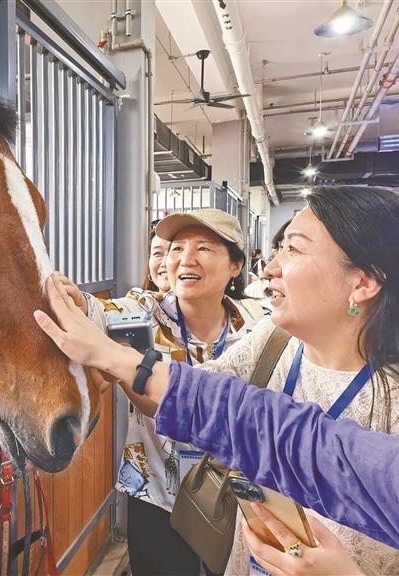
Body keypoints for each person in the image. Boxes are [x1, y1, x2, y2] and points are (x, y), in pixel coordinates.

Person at [36, 186, 399, 575]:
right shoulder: (273, 338)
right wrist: (84, 312)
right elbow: (202, 398)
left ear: (362, 285)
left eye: (294, 249)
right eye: (175, 248)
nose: (270, 268)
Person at [65, 209, 263, 575]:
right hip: (158, 496)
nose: (185, 259)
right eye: (176, 248)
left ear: (236, 266)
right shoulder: (141, 312)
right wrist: (70, 297)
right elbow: (91, 309)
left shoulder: (258, 325)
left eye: (204, 248)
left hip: (241, 498)